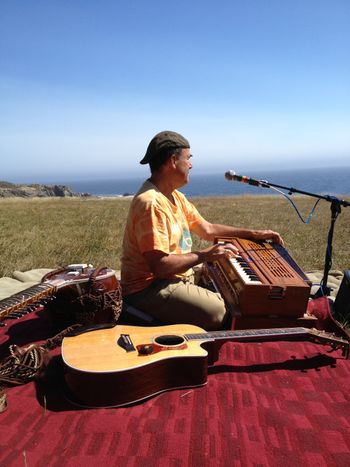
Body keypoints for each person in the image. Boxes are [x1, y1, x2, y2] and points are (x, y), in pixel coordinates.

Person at [121, 131, 284, 330]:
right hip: (148, 288)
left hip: (175, 276)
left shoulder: (174, 196)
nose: (190, 165)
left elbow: (207, 229)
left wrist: (253, 234)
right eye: (188, 158)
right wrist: (206, 254)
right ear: (173, 160)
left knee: (231, 285)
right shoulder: (150, 203)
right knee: (218, 311)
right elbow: (161, 266)